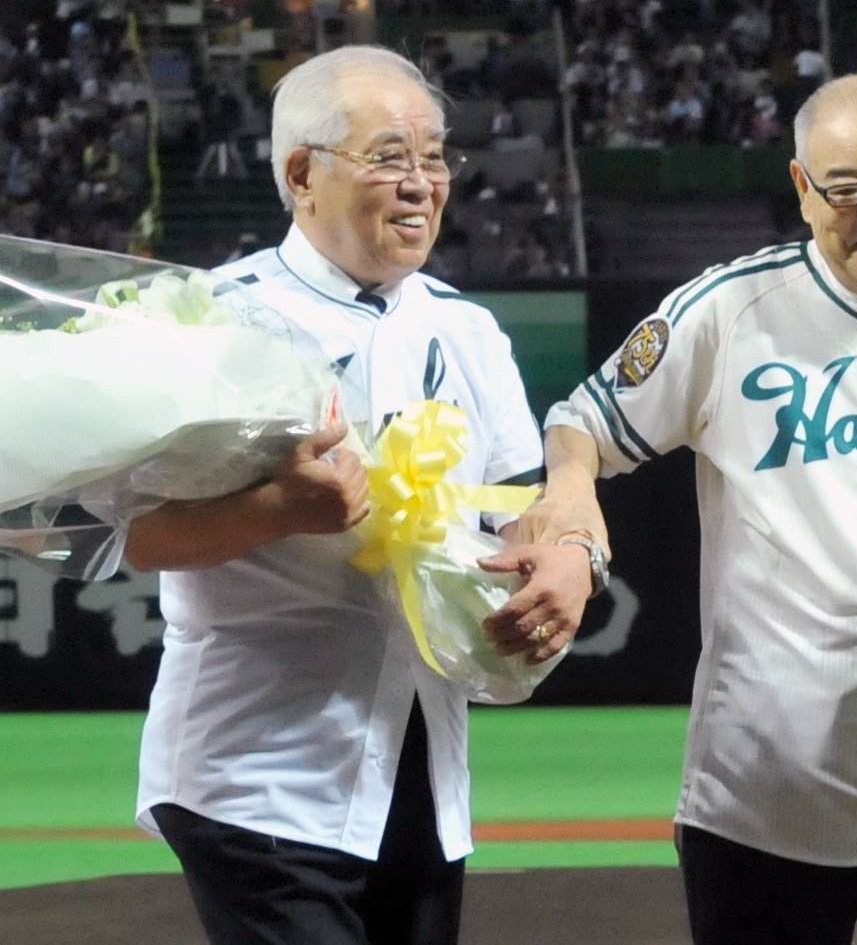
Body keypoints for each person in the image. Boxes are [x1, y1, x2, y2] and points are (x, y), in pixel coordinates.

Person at [486, 73, 857, 944]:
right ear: (800, 187)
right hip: (762, 797)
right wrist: (569, 503)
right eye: (845, 187)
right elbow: (582, 423)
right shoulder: (728, 312)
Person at [126, 46, 594, 945]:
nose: (422, 182)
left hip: (423, 770)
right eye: (389, 156)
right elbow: (137, 535)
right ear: (302, 174)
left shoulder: (467, 329)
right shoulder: (216, 321)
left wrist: (565, 561)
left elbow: (519, 511)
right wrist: (277, 512)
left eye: (434, 157)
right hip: (259, 770)